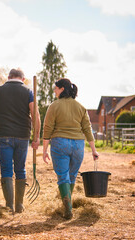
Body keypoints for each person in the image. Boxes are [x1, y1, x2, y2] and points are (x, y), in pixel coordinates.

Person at [42, 78, 99, 219]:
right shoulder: (80, 107)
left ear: (62, 89)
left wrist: (44, 150)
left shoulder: (54, 106)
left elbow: (47, 129)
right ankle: (68, 203)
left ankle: (67, 207)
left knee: (63, 177)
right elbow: (87, 129)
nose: (54, 91)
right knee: (72, 176)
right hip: (78, 145)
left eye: (56, 88)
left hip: (60, 143)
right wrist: (94, 150)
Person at [0, 68, 40, 213]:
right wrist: (37, 137)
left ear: (8, 77)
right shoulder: (28, 91)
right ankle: (20, 205)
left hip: (3, 135)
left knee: (6, 169)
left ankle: (9, 205)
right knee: (20, 169)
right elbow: (35, 115)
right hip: (23, 136)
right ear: (23, 79)